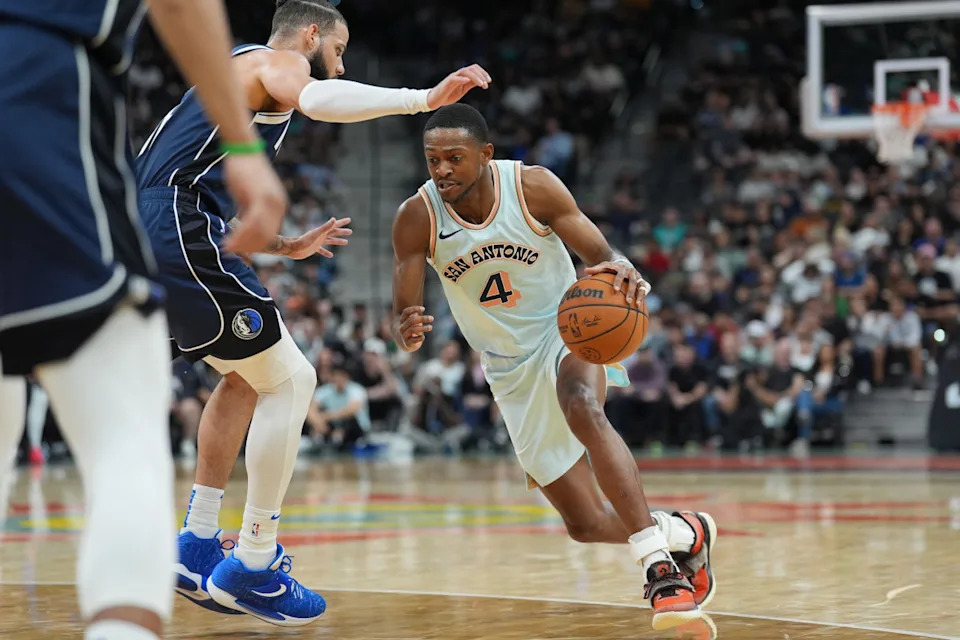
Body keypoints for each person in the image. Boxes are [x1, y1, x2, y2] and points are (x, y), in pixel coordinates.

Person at [135, 0, 492, 625]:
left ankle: (194, 544)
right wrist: (422, 98)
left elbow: (204, 184)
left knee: (246, 377)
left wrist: (284, 246)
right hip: (175, 222)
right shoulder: (276, 62)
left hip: (158, 226)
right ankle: (252, 562)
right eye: (339, 48)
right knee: (294, 379)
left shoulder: (234, 74)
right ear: (310, 35)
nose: (341, 62)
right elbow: (320, 103)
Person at [0, 0, 289, 638]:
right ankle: (212, 560)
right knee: (123, 429)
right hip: (35, 87)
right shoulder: (272, 64)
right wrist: (242, 144)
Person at [391, 104, 713, 630]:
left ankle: (660, 569)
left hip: (568, 332)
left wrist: (624, 269)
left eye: (454, 157)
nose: (442, 169)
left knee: (583, 407)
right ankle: (683, 533)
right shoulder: (417, 217)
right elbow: (404, 318)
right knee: (584, 524)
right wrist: (405, 334)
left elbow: (602, 256)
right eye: (433, 160)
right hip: (506, 367)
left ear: (486, 155)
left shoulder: (533, 188)